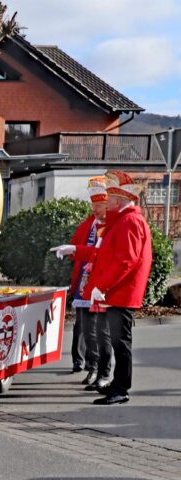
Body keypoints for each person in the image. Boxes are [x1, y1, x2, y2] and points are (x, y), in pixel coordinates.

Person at [81, 170, 152, 405]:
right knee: (117, 341)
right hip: (118, 291)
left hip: (121, 292)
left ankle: (121, 388)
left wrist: (103, 286)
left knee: (121, 342)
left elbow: (126, 260)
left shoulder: (129, 221)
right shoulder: (126, 220)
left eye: (110, 200)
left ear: (119, 201)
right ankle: (117, 384)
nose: (106, 203)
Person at [53, 176, 112, 388]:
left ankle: (103, 372)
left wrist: (77, 251)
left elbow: (103, 255)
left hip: (101, 285)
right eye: (93, 205)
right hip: (84, 284)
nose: (95, 209)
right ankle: (92, 367)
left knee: (100, 331)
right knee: (86, 328)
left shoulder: (113, 226)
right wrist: (71, 250)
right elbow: (77, 246)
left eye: (99, 205)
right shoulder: (88, 223)